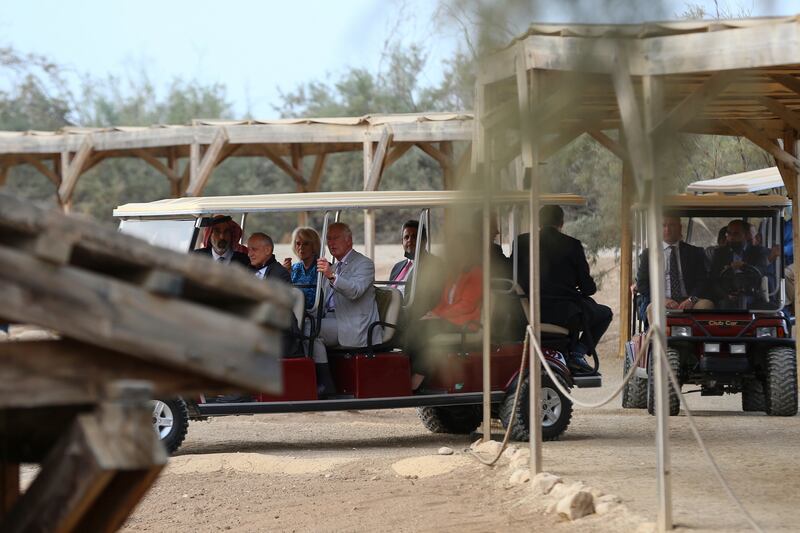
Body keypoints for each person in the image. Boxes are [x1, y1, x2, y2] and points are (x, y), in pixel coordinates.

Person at [537, 205, 611, 374]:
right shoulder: (572, 245)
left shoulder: (522, 243)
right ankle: (577, 352)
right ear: (561, 223)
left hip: (528, 311)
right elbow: (588, 288)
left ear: (538, 223)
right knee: (605, 313)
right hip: (565, 314)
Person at [311, 222, 382, 397]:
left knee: (310, 330)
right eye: (328, 239)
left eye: (335, 238)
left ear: (349, 240)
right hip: (333, 319)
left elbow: (355, 291)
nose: (331, 243)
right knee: (301, 325)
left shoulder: (364, 264)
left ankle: (325, 384)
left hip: (354, 323)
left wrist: (331, 276)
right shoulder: (334, 267)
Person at [407, 235, 482, 391]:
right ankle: (408, 370)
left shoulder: (476, 274)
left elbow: (466, 305)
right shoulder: (453, 274)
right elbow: (443, 302)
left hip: (465, 322)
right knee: (414, 326)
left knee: (425, 331)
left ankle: (419, 377)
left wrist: (439, 316)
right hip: (449, 319)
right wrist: (430, 313)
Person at [637, 214, 714, 322]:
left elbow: (703, 281)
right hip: (661, 300)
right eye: (664, 225)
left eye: (672, 225)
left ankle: (699, 339)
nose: (667, 229)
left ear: (680, 228)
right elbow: (642, 284)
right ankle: (657, 338)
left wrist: (691, 300)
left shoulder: (694, 252)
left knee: (706, 305)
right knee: (653, 308)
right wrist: (663, 299)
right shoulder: (648, 254)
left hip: (689, 298)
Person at [389, 220, 445, 320]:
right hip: (388, 314)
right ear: (402, 241)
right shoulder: (397, 267)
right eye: (406, 237)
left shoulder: (434, 264)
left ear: (424, 240)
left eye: (415, 237)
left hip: (411, 318)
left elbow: (428, 297)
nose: (410, 240)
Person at [710, 219, 770, 308]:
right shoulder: (720, 253)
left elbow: (761, 271)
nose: (731, 237)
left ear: (746, 235)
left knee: (773, 313)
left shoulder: (759, 251)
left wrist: (744, 266)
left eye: (736, 234)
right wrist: (726, 295)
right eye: (729, 233)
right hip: (727, 295)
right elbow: (713, 280)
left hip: (752, 294)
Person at [282, 227, 322, 311]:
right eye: (298, 243)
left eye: (306, 244)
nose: (301, 247)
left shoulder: (322, 268)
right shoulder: (293, 268)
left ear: (314, 246)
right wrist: (285, 275)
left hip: (313, 314)